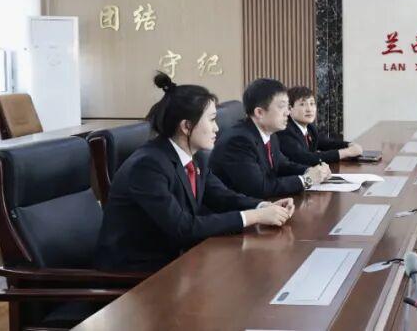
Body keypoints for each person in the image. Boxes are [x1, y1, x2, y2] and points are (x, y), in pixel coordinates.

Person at [95, 73, 294, 272]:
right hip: (139, 270)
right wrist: (255, 216)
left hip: (178, 259)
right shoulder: (148, 166)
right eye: (212, 120)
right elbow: (182, 227)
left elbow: (222, 197)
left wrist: (263, 206)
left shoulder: (195, 156)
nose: (217, 128)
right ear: (186, 126)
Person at [210, 78, 331, 199]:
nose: (287, 113)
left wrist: (311, 171)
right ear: (259, 113)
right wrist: (307, 180)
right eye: (281, 107)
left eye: (288, 107)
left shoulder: (270, 133)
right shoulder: (238, 141)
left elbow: (282, 165)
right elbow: (259, 188)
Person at [277, 86, 362, 165]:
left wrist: (349, 145)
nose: (309, 109)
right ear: (289, 109)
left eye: (312, 104)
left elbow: (327, 143)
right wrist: (346, 152)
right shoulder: (285, 130)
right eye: (302, 104)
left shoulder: (310, 128)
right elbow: (304, 158)